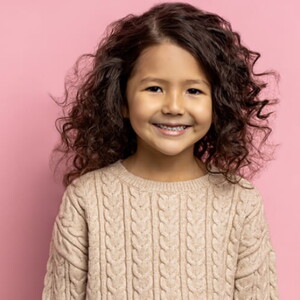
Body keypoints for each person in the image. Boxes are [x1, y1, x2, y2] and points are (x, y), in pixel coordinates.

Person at [42, 2, 279, 299]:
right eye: (154, 88)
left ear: (218, 104)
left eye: (194, 90)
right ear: (122, 100)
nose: (174, 107)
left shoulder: (240, 203)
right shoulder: (87, 198)